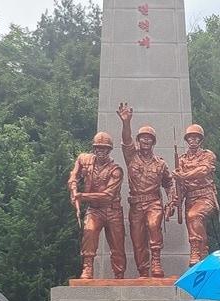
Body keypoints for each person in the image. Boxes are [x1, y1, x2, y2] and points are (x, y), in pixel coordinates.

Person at [117, 102, 174, 278]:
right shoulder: (131, 157)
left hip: (153, 202)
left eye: (149, 138)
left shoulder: (161, 163)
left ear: (153, 142)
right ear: (138, 140)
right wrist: (126, 122)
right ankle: (143, 270)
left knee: (153, 225)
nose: (146, 140)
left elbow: (169, 183)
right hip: (136, 204)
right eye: (143, 137)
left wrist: (171, 200)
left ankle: (156, 263)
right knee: (138, 241)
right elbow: (126, 140)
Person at [68, 131, 128, 279]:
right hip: (94, 210)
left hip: (112, 211)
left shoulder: (116, 170)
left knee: (117, 245)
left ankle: (119, 273)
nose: (101, 151)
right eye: (98, 148)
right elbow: (73, 175)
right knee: (89, 231)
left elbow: (108, 195)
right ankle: (87, 267)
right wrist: (73, 186)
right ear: (94, 149)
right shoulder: (84, 160)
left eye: (104, 148)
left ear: (109, 150)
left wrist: (82, 196)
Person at [171, 123, 218, 264]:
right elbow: (180, 186)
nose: (193, 140)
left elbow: (203, 170)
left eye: (196, 138)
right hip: (190, 199)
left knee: (194, 216)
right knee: (193, 225)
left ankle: (196, 251)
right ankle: (204, 254)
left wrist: (183, 176)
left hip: (205, 196)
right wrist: (174, 201)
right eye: (190, 138)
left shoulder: (207, 155)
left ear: (200, 140)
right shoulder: (182, 160)